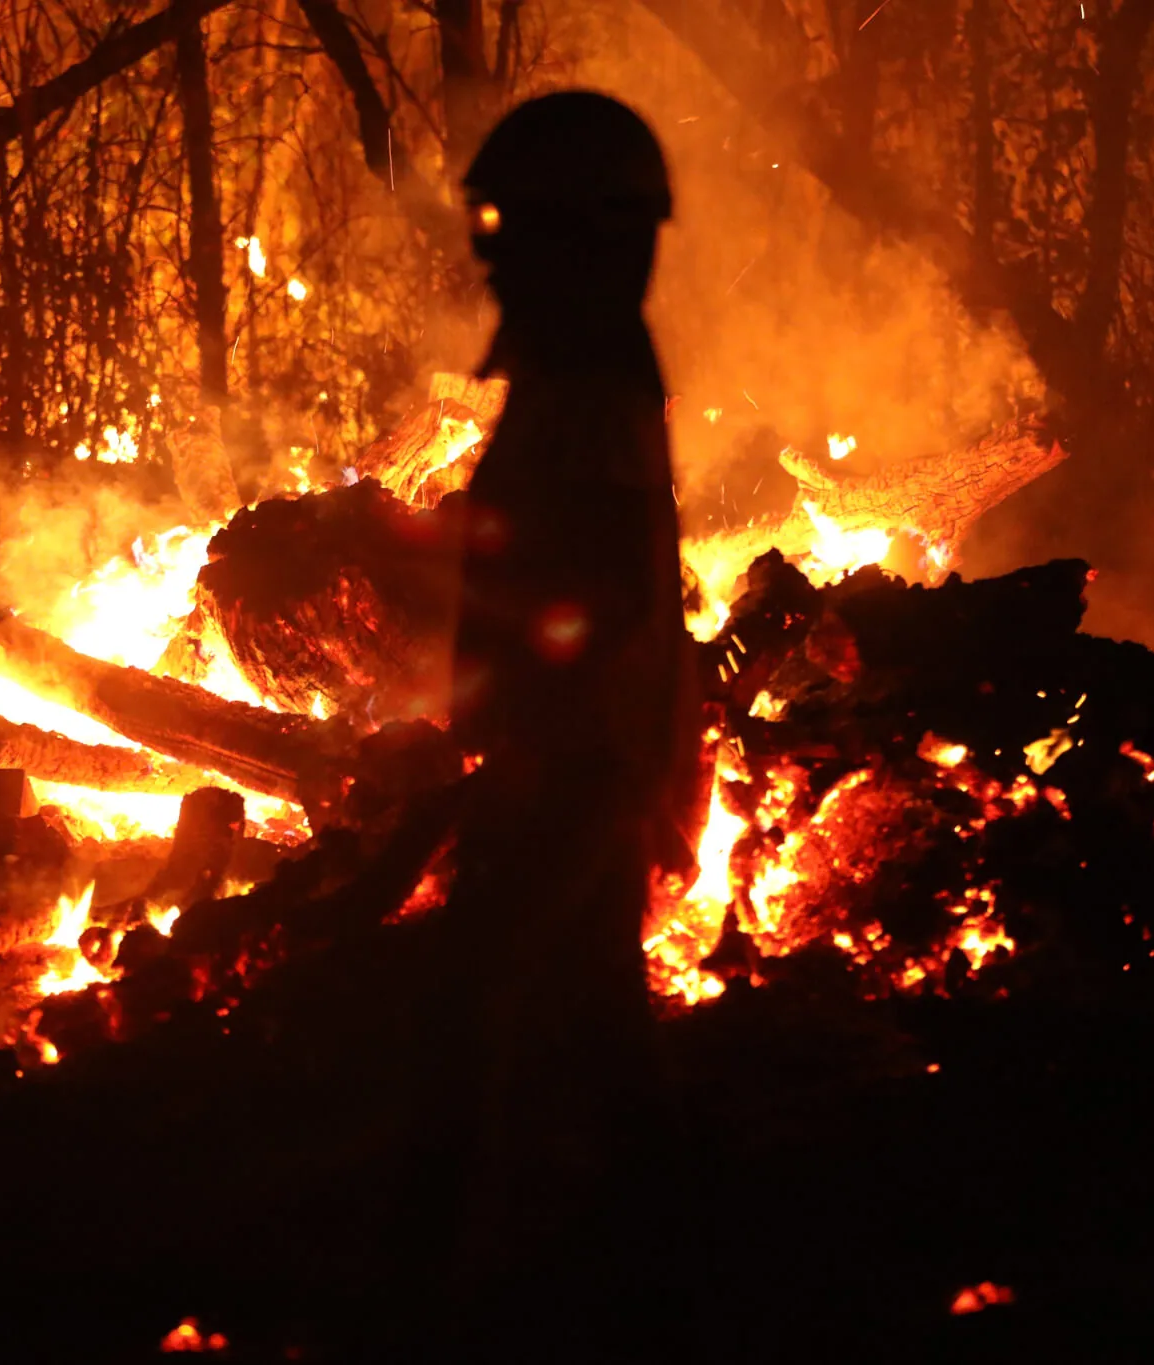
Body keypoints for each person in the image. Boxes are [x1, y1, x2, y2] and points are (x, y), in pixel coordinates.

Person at [435, 90, 701, 1356]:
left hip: (571, 771)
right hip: (576, 764)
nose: (487, 254)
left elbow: (591, 589)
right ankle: (637, 1280)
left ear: (576, 236)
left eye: (507, 226)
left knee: (503, 1020)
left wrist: (544, 750)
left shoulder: (589, 393)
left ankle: (525, 1295)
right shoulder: (582, 375)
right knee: (586, 1028)